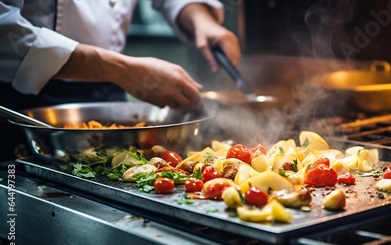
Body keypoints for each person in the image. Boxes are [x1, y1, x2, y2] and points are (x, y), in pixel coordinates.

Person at [0, 0, 241, 161]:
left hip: (109, 91)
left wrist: (202, 21)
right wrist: (125, 70)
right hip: (21, 100)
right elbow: (5, 31)